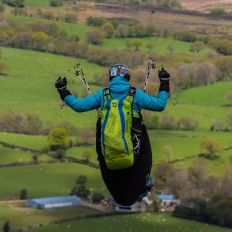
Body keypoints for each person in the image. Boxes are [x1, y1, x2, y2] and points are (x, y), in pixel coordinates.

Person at [55, 63, 170, 207]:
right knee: (142, 132)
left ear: (111, 78)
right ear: (127, 77)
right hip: (135, 150)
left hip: (108, 151)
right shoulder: (135, 95)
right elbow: (160, 104)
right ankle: (143, 185)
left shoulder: (103, 95)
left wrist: (63, 91)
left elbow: (79, 106)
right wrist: (165, 82)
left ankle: (135, 188)